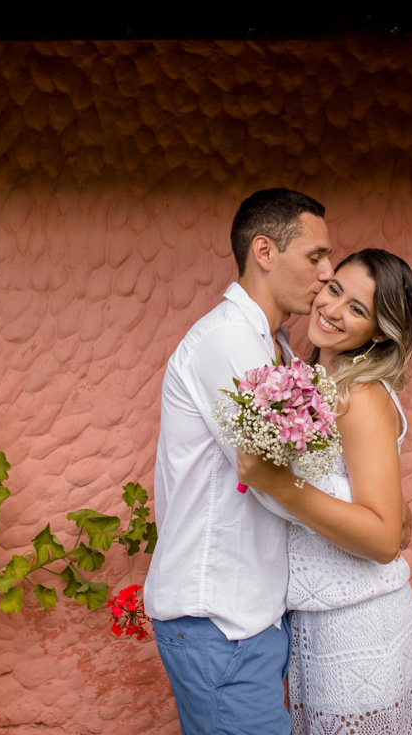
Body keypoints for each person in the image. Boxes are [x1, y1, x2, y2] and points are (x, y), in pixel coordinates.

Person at [143, 188, 334, 734]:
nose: (326, 273)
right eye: (315, 256)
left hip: (248, 617)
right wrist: (367, 523)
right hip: (219, 620)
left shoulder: (273, 345)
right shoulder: (228, 340)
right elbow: (271, 473)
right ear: (265, 252)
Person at [236, 248, 412, 735]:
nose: (333, 309)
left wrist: (282, 485)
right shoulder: (312, 380)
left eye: (358, 309)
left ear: (381, 331)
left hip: (359, 621)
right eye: (335, 289)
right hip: (317, 620)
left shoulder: (359, 395)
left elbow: (386, 538)